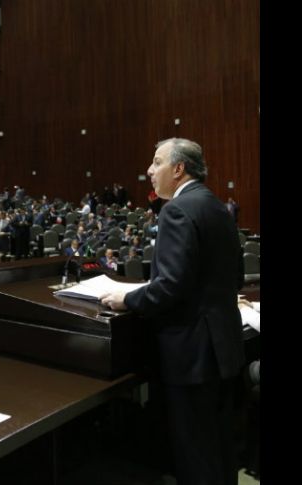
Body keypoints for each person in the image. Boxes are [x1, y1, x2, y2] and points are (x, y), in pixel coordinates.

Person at [100, 138, 244, 485]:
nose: (149, 171)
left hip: (192, 352)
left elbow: (170, 286)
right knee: (219, 450)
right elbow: (236, 275)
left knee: (195, 455)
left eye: (156, 163)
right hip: (223, 348)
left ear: (178, 169)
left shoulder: (177, 210)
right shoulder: (216, 206)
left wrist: (128, 298)